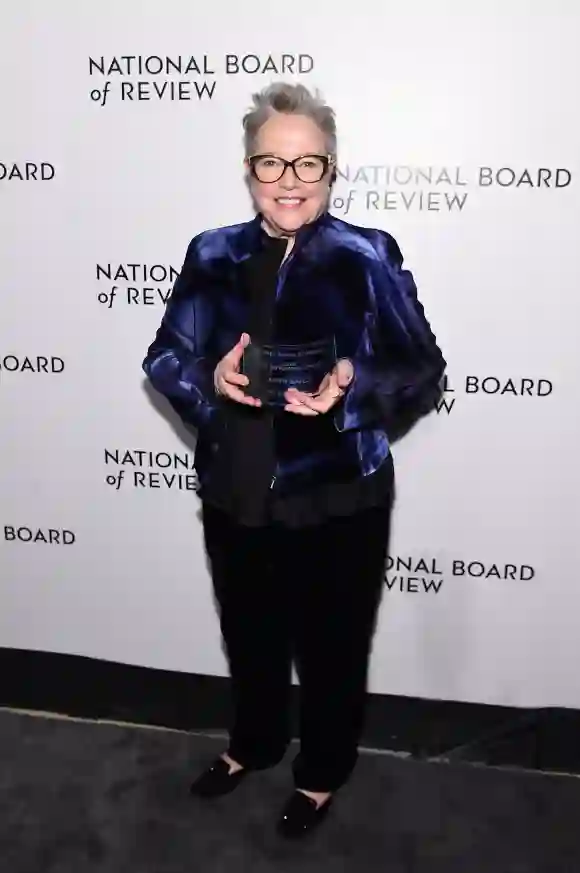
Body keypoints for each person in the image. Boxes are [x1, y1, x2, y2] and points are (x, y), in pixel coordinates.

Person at [142, 82, 445, 839]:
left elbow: (421, 367)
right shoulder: (212, 253)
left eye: (306, 163)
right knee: (249, 631)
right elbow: (165, 357)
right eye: (271, 162)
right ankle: (254, 742)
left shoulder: (368, 254)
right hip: (236, 487)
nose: (288, 179)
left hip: (339, 493)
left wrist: (352, 386)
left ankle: (320, 772)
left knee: (334, 644)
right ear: (249, 171)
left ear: (332, 170)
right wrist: (207, 381)